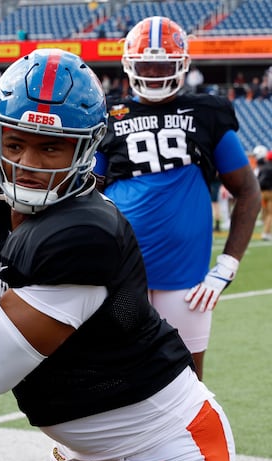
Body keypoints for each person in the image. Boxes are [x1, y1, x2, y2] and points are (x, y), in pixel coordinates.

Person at [0, 48, 238, 461]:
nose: (28, 164)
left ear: (85, 148)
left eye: (50, 146)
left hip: (170, 451)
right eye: (15, 143)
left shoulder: (81, 234)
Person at [94, 16, 261, 380]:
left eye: (162, 65)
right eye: (146, 65)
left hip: (186, 283)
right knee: (115, 375)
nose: (154, 73)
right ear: (129, 65)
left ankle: (190, 441)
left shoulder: (205, 113)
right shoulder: (110, 116)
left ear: (182, 65)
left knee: (186, 381)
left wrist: (227, 267)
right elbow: (86, 194)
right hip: (122, 280)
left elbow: (247, 191)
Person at [255, 145, 272, 240]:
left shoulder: (263, 167)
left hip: (262, 192)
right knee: (271, 214)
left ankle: (266, 231)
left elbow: (258, 179)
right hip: (270, 192)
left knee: (265, 213)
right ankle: (266, 233)